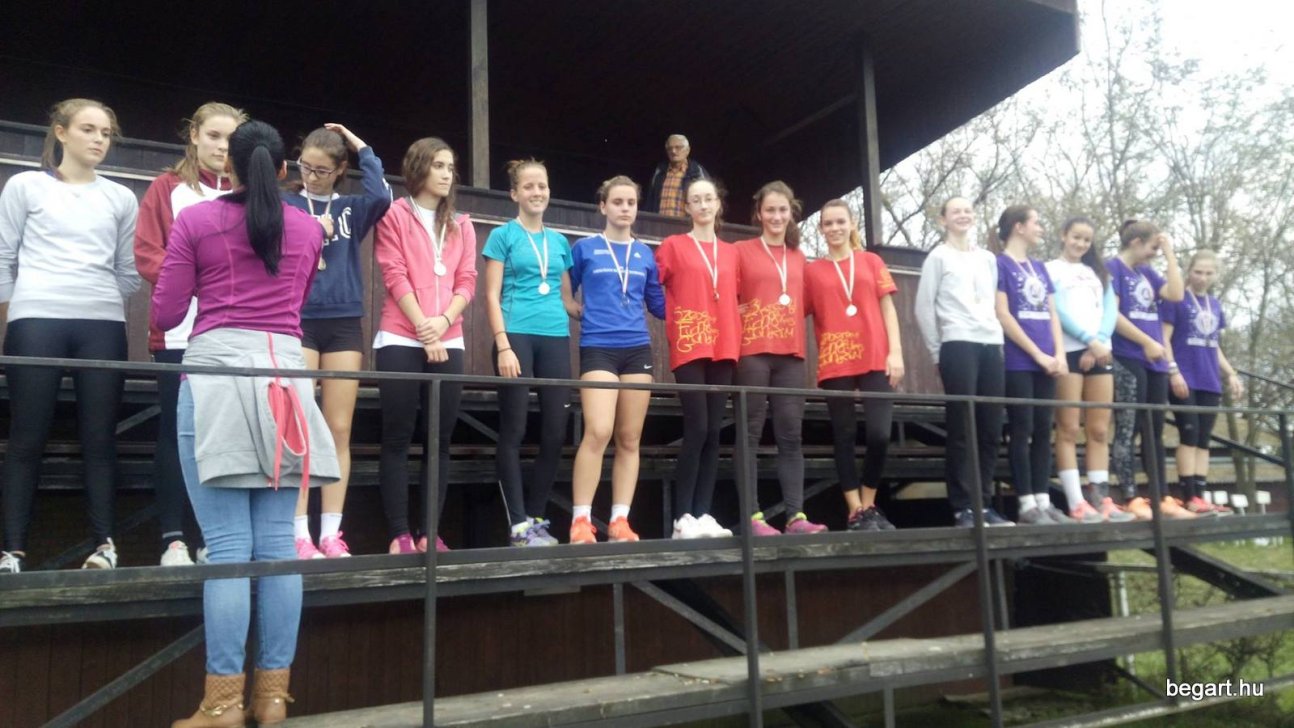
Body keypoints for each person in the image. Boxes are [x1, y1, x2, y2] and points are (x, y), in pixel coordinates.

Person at [154, 119, 339, 727]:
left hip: (216, 379)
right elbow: (297, 300)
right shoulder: (308, 228)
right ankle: (272, 698)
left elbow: (166, 312)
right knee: (277, 544)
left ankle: (222, 705)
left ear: (227, 166)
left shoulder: (197, 220)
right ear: (283, 169)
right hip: (286, 379)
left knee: (230, 549)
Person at [0, 98, 141, 575]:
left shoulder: (121, 197)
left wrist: (96, 295)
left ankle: (105, 545)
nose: (99, 139)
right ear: (60, 132)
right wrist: (20, 309)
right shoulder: (25, 186)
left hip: (102, 323)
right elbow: (3, 256)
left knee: (99, 437)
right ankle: (12, 551)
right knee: (27, 436)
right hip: (35, 319)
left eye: (106, 132)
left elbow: (128, 271)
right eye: (88, 129)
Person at [136, 101, 247, 567]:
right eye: (214, 136)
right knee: (174, 433)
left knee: (222, 437)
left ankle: (212, 539)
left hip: (232, 335)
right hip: (179, 335)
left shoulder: (246, 192)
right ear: (194, 135)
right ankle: (173, 539)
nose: (222, 147)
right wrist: (206, 280)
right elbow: (148, 254)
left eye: (231, 139)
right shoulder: (167, 188)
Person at [285, 123, 392, 559]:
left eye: (322, 170)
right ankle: (298, 533)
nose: (311, 176)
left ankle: (330, 532)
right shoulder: (288, 203)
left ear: (339, 170)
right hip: (299, 318)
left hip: (344, 321)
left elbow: (382, 196)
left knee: (339, 428)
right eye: (305, 167)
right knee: (297, 425)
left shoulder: (352, 207)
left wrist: (361, 145)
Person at [374, 137, 477, 554]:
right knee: (398, 437)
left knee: (439, 440)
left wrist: (444, 322)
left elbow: (467, 280)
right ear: (418, 167)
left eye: (450, 167)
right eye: (438, 165)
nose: (447, 174)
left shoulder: (462, 224)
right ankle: (399, 534)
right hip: (400, 334)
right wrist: (424, 328)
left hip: (448, 335)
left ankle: (429, 532)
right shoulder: (394, 215)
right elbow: (393, 273)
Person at [567, 175, 665, 543]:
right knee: (598, 430)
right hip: (598, 346)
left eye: (631, 203)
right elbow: (565, 282)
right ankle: (580, 520)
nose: (625, 209)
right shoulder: (586, 248)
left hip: (637, 348)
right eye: (618, 202)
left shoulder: (645, 254)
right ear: (603, 206)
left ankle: (619, 520)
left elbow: (659, 305)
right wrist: (569, 305)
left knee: (629, 437)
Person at [483, 159, 573, 547]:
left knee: (555, 431)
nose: (537, 192)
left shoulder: (560, 242)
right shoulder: (502, 235)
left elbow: (565, 296)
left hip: (555, 335)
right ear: (514, 194)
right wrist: (502, 344)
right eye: (529, 186)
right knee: (515, 428)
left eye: (543, 186)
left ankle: (536, 517)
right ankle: (518, 525)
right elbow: (490, 295)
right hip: (515, 335)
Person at [803, 200, 904, 531]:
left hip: (876, 355)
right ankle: (856, 511)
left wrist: (896, 352)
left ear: (852, 224)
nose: (834, 228)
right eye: (828, 223)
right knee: (844, 435)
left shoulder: (871, 261)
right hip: (836, 359)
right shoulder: (812, 271)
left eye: (840, 222)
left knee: (880, 434)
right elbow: (792, 309)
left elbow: (888, 308)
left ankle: (869, 502)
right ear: (821, 229)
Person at [735, 181, 826, 535]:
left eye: (782, 210)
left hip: (791, 353)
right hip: (753, 352)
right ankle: (752, 517)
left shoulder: (800, 257)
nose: (776, 216)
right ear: (759, 213)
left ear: (792, 213)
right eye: (770, 210)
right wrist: (735, 310)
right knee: (750, 433)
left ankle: (795, 516)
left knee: (790, 434)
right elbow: (723, 293)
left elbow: (807, 304)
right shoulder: (741, 251)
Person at [914, 197, 1012, 528]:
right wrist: (936, 352)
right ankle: (963, 506)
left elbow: (992, 304)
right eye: (955, 211)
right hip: (957, 343)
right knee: (962, 426)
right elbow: (924, 308)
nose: (963, 215)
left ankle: (984, 503)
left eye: (967, 210)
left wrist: (998, 340)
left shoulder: (987, 258)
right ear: (943, 219)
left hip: (991, 343)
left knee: (990, 427)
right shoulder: (938, 257)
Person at [656, 178, 739, 538]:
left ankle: (703, 513)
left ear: (718, 204)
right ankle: (682, 517)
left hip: (725, 345)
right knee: (698, 427)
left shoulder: (732, 253)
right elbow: (652, 285)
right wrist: (671, 319)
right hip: (690, 344)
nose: (704, 205)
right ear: (686, 208)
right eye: (696, 200)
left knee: (715, 432)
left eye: (709, 198)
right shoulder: (673, 246)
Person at [1046, 216, 1133, 523]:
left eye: (1086, 240)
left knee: (1098, 429)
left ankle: (1100, 496)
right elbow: (1057, 311)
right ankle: (1076, 501)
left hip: (1100, 353)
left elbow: (1110, 310)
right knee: (1069, 428)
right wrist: (1087, 341)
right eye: (1076, 237)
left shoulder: (1098, 272)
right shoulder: (1050, 270)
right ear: (1063, 235)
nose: (1081, 244)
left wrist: (1099, 343)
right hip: (1069, 351)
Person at [994, 205, 1070, 525]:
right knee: (1022, 429)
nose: (1041, 228)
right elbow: (1003, 314)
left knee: (1042, 430)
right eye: (1036, 222)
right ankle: (1026, 504)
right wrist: (1037, 354)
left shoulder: (1039, 267)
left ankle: (1044, 500)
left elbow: (1052, 313)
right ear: (1018, 226)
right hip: (1019, 362)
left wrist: (1060, 354)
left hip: (1049, 362)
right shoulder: (999, 264)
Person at [1108, 219, 1188, 520]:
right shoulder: (1113, 268)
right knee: (1128, 427)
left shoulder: (1147, 272)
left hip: (1155, 360)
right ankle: (1130, 495)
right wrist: (1145, 341)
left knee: (1154, 430)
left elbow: (1176, 294)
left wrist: (1170, 255)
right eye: (1153, 247)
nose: (1155, 253)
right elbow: (1112, 315)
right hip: (1127, 355)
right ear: (1136, 242)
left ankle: (1161, 495)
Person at [1162, 249, 1242, 516]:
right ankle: (1189, 497)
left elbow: (1214, 344)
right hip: (1184, 377)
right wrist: (1173, 371)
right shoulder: (1177, 299)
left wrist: (1230, 373)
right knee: (1189, 434)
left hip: (1209, 380)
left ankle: (1201, 494)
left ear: (1216, 274)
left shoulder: (1215, 304)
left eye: (1209, 273)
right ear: (1189, 271)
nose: (1203, 278)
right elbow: (1164, 338)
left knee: (1204, 440)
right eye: (1198, 272)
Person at [645, 134, 708, 218]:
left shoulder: (697, 172)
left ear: (687, 150)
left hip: (686, 224)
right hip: (659, 224)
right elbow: (650, 202)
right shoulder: (659, 172)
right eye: (670, 148)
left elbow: (707, 203)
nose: (673, 151)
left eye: (678, 147)